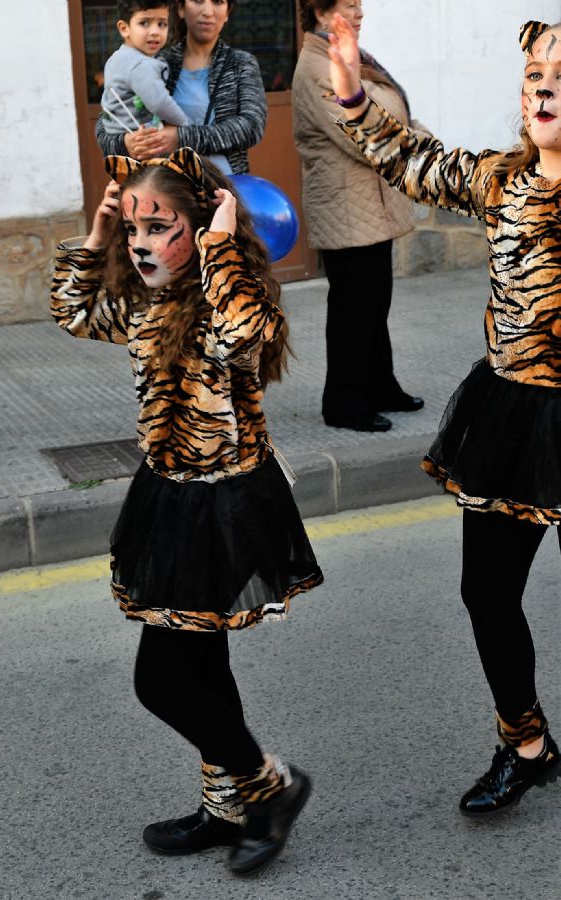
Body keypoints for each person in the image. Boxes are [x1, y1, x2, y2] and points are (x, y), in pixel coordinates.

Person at [50, 147, 323, 875]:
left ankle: (271, 786)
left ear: (200, 227)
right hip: (169, 495)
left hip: (228, 500)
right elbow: (72, 312)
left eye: (157, 226)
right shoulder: (145, 301)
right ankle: (227, 806)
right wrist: (99, 232)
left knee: (160, 680)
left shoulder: (232, 296)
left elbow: (246, 342)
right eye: (133, 227)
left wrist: (220, 246)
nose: (141, 242)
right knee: (203, 664)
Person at [328, 14, 561, 814]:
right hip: (511, 414)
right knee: (484, 593)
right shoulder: (502, 179)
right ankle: (524, 742)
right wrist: (353, 95)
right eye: (534, 75)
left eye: (560, 76)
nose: (544, 87)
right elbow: (410, 160)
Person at [292, 0, 424, 432]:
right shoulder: (316, 67)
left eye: (360, 4)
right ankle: (344, 404)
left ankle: (381, 386)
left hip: (370, 201)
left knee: (374, 302)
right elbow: (360, 133)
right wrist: (411, 142)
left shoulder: (355, 58)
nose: (360, 12)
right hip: (345, 204)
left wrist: (426, 144)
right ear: (320, 11)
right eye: (349, 5)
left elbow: (393, 113)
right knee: (353, 309)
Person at [96, 0, 266, 176]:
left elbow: (252, 127)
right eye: (198, 1)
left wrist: (181, 138)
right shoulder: (153, 62)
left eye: (218, 2)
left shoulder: (240, 64)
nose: (208, 11)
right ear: (181, 9)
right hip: (162, 188)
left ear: (228, 12)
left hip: (224, 186)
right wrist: (126, 142)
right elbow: (107, 122)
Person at [101, 2, 189, 136]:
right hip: (143, 140)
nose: (155, 32)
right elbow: (160, 103)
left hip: (117, 136)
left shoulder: (115, 58)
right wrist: (185, 125)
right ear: (124, 28)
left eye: (162, 24)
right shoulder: (142, 65)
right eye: (144, 23)